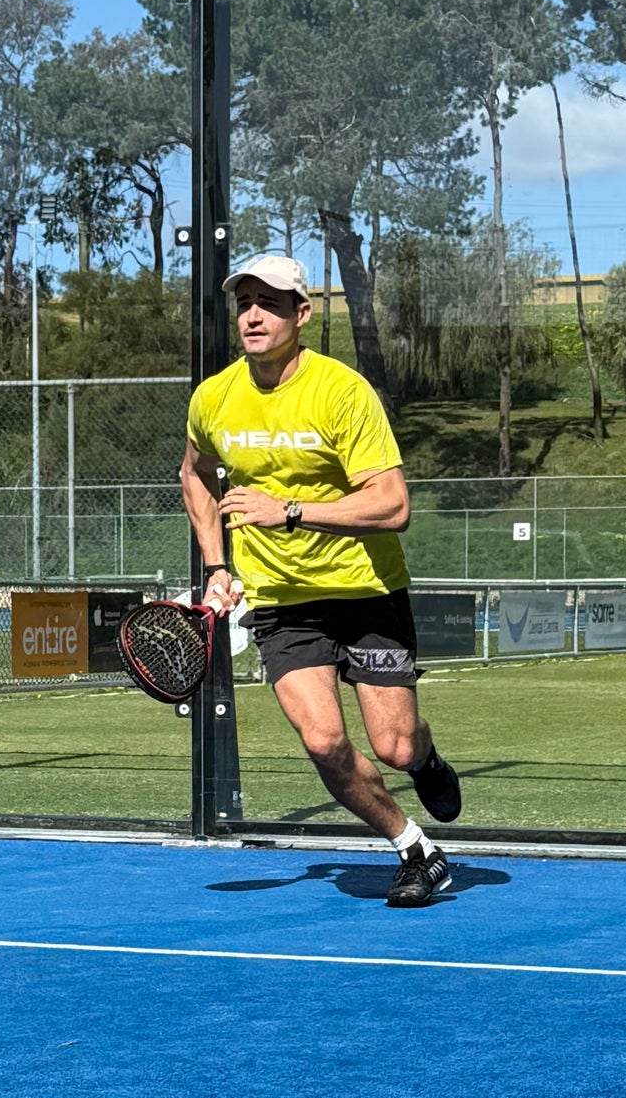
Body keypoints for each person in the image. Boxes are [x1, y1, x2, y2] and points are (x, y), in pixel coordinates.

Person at [181, 254, 462, 908]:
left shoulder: (342, 392)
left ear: (301, 314)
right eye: (244, 303)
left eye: (270, 303)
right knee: (324, 741)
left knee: (393, 746)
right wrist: (217, 564)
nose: (253, 316)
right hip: (283, 604)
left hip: (367, 593)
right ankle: (415, 850)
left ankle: (425, 759)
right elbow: (195, 473)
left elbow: (393, 505)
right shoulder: (213, 398)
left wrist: (290, 511)